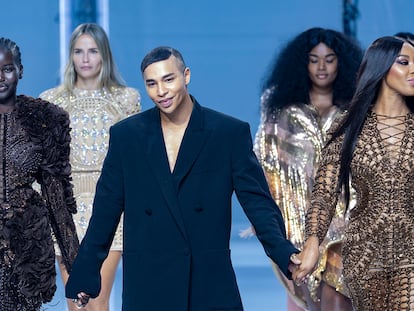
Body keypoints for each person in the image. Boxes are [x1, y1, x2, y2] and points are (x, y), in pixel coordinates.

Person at [65, 46, 300, 310]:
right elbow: (106, 210)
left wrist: (282, 250)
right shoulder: (127, 136)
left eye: (169, 79)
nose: (161, 91)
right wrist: (86, 271)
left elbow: (258, 203)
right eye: (151, 84)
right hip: (148, 279)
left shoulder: (227, 133)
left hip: (207, 279)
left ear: (185, 75)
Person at [295, 36, 414, 310]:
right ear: (382, 67)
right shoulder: (351, 126)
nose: (413, 70)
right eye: (404, 62)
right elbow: (325, 193)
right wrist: (312, 242)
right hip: (365, 252)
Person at [253, 27, 362, 311]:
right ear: (303, 63)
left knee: (342, 293)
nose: (322, 67)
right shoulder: (282, 110)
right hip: (297, 213)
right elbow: (266, 160)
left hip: (346, 216)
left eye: (330, 59)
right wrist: (265, 214)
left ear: (343, 62)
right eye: (314, 59)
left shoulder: (355, 110)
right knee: (304, 294)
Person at [40, 23, 141, 311]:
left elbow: (135, 160)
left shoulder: (126, 99)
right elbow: (44, 164)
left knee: (98, 299)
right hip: (66, 212)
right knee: (77, 304)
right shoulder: (52, 100)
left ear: (104, 56)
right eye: (79, 51)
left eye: (93, 51)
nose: (85, 59)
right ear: (71, 56)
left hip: (110, 208)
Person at [0, 37, 78, 310]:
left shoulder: (44, 120)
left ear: (20, 70)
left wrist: (75, 268)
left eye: (7, 69)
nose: (1, 77)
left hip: (25, 249)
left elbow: (57, 201)